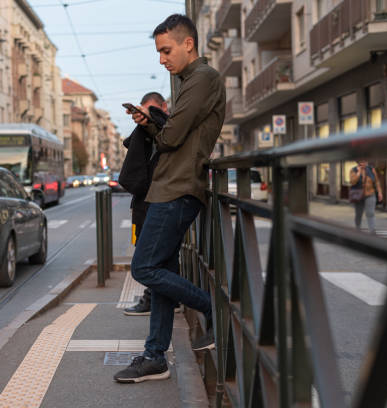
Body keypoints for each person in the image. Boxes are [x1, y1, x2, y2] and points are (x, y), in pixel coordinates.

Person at [113, 14, 225, 384]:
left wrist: (159, 126)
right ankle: (155, 355)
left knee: (144, 269)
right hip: (169, 186)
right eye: (159, 52)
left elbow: (173, 138)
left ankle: (213, 308)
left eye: (166, 50)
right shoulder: (187, 82)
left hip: (177, 189)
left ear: (188, 44)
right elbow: (172, 133)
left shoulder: (203, 78)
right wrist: (153, 123)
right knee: (163, 272)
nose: (162, 59)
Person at [119, 92, 169, 316]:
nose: (148, 116)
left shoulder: (166, 128)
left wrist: (152, 120)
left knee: (148, 258)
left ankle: (154, 297)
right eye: (144, 110)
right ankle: (161, 297)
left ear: (163, 107)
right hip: (143, 199)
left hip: (157, 198)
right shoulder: (145, 131)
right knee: (144, 245)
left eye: (152, 110)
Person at [350, 160, 383, 234]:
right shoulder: (353, 170)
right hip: (358, 196)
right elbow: (352, 182)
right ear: (358, 162)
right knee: (359, 214)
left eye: (364, 162)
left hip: (370, 194)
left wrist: (380, 192)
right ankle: (358, 229)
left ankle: (372, 231)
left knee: (370, 213)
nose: (363, 163)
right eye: (361, 162)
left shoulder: (371, 169)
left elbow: (377, 181)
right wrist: (358, 173)